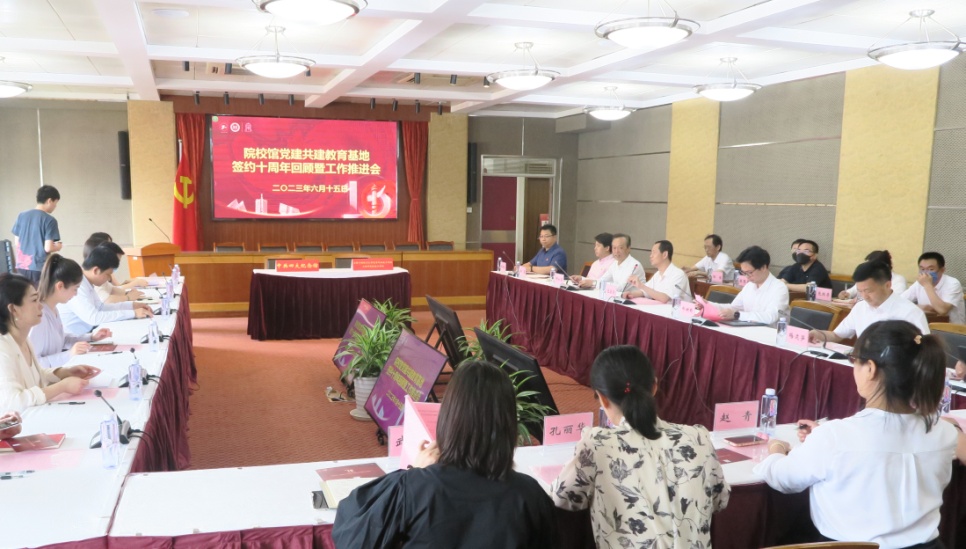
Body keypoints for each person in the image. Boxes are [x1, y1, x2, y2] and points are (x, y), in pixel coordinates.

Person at [755, 320, 965, 548]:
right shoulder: (945, 432)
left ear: (871, 369)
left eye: (855, 360)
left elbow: (784, 479)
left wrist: (776, 450)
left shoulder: (835, 436)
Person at [332, 361, 557, 548]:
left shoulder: (413, 488)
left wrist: (413, 472)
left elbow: (351, 534)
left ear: (449, 417)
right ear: (509, 424)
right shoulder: (530, 496)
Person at [552, 345, 729, 548]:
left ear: (602, 398)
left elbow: (562, 497)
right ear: (654, 387)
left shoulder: (598, 443)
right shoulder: (698, 438)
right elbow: (720, 500)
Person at [0, 273, 99, 411]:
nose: (40, 306)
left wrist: (64, 372)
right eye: (34, 300)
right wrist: (62, 386)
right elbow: (14, 401)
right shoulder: (3, 348)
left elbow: (37, 376)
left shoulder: (23, 338)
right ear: (13, 309)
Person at [810, 261, 929, 344]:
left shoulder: (910, 312)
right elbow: (836, 335)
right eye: (860, 291)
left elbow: (925, 349)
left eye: (868, 291)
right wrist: (817, 334)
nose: (864, 296)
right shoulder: (860, 307)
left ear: (887, 285)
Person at [29, 254, 112, 369]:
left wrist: (91, 337)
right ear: (60, 286)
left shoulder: (53, 308)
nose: (76, 294)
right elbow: (34, 364)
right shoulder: (39, 316)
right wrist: (69, 354)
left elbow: (61, 339)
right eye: (75, 289)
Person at [58, 244, 153, 335]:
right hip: (76, 339)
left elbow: (101, 308)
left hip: (88, 333)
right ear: (96, 270)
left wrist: (132, 306)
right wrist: (133, 313)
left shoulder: (87, 282)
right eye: (107, 274)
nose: (108, 279)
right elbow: (94, 318)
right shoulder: (78, 285)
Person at [710, 246, 789, 326]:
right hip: (748, 329)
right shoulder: (749, 285)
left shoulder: (779, 288)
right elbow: (733, 308)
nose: (746, 276)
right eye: (743, 272)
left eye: (750, 272)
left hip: (770, 331)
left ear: (763, 267)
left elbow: (770, 317)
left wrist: (737, 315)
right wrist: (708, 304)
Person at [10, 185, 62, 285]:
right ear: (49, 201)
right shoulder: (50, 220)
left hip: (21, 266)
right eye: (55, 203)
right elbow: (48, 248)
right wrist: (58, 246)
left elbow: (17, 242)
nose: (55, 207)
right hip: (39, 268)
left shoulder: (22, 215)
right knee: (38, 294)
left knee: (24, 293)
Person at [901, 252, 965, 325]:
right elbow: (899, 301)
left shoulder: (953, 283)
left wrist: (927, 285)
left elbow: (942, 310)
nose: (925, 273)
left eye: (931, 269)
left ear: (942, 270)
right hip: (926, 325)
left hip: (951, 329)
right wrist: (919, 307)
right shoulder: (919, 283)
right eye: (922, 269)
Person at [624, 240, 693, 303]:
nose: (651, 256)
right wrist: (631, 294)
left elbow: (664, 298)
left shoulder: (678, 274)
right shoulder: (657, 274)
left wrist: (641, 285)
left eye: (654, 252)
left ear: (664, 255)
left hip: (676, 312)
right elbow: (645, 291)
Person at [839, 250, 907, 299]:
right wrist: (846, 294)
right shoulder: (866, 278)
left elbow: (898, 298)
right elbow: (852, 291)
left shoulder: (898, 279)